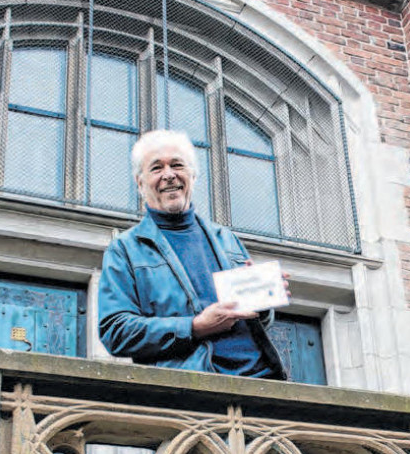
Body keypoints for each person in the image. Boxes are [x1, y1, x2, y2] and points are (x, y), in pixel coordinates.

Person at [98, 129, 288, 381]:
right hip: (195, 390)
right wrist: (194, 327)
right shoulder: (125, 249)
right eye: (156, 168)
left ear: (193, 175)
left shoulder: (226, 238)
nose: (169, 175)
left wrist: (262, 304)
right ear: (140, 183)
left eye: (177, 165)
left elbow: (255, 321)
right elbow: (116, 331)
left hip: (262, 380)